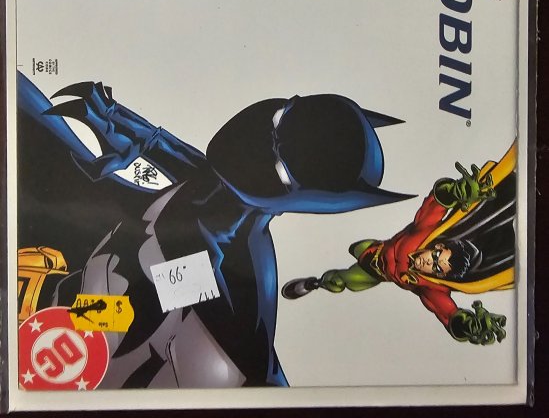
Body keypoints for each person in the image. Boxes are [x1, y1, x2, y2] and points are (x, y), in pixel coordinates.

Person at [18, 74, 413, 387]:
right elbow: (191, 169)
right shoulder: (217, 188)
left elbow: (134, 312)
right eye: (280, 117)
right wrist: (126, 127)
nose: (263, 139)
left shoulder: (227, 259)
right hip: (78, 306)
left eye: (282, 162)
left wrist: (54, 307)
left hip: (90, 355)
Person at [283, 146, 515, 346]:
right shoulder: (425, 231)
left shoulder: (430, 287)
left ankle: (315, 283)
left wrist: (467, 326)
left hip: (373, 273)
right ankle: (320, 281)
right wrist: (455, 191)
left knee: (340, 281)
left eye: (436, 267)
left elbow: (447, 313)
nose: (429, 261)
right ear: (438, 247)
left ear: (440, 275)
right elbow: (435, 202)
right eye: (436, 256)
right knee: (356, 250)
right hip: (373, 250)